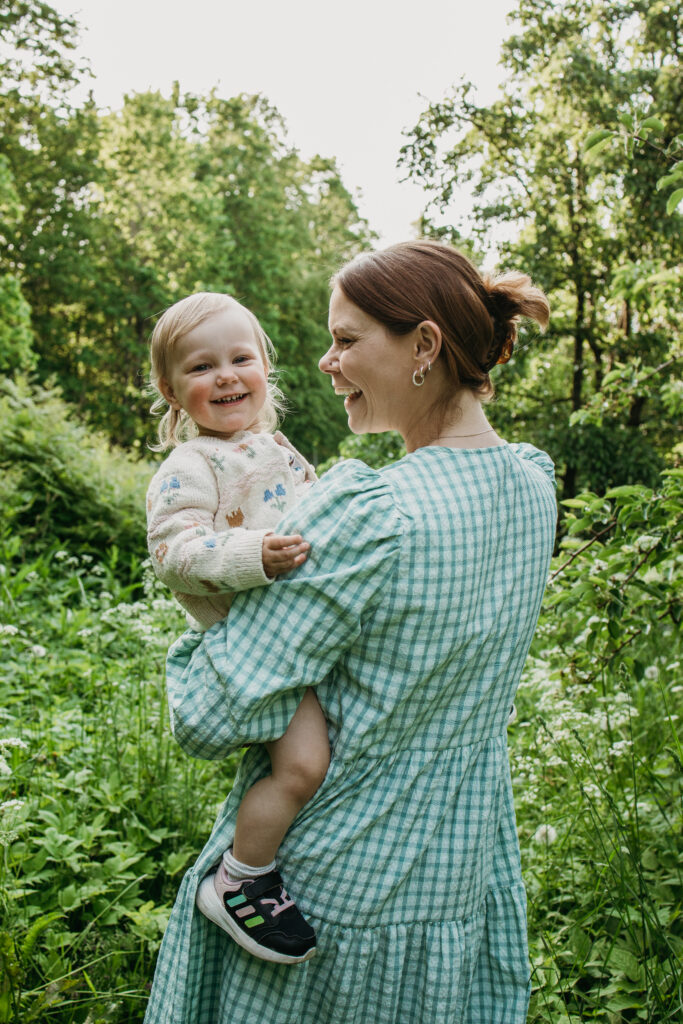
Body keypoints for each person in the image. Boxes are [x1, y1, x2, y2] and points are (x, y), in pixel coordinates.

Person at [144, 241, 558, 1024]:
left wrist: (211, 625)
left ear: (423, 346)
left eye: (345, 340)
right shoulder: (534, 485)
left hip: (329, 882)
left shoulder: (373, 512)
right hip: (458, 868)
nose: (325, 362)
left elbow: (210, 716)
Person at [146, 292, 330, 965]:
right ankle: (241, 877)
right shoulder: (189, 467)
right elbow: (174, 552)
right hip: (256, 645)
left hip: (305, 632)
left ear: (264, 368)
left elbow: (317, 513)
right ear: (172, 390)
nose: (225, 376)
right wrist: (254, 555)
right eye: (202, 367)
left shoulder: (276, 448)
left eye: (240, 359)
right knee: (303, 767)